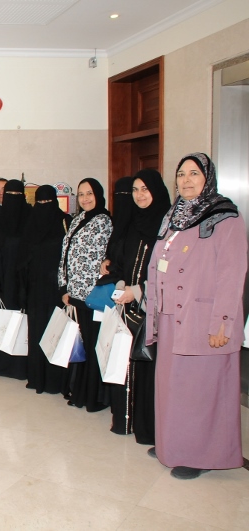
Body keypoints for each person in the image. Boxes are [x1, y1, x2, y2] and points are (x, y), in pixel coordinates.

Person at [145, 153, 246, 480]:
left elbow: (232, 275)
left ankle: (203, 454)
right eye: (181, 174)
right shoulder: (173, 216)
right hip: (172, 317)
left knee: (201, 389)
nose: (186, 180)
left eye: (194, 173)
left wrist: (222, 323)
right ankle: (172, 444)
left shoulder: (224, 216)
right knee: (174, 387)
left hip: (203, 320)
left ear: (208, 178)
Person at [101, 169, 170, 440]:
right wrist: (121, 285)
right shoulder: (132, 224)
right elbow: (121, 263)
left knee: (146, 364)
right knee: (123, 362)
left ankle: (146, 428)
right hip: (126, 306)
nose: (140, 195)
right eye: (135, 190)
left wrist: (138, 291)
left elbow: (169, 272)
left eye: (145, 189)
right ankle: (124, 421)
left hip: (152, 309)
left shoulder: (167, 227)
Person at [58, 178, 112, 411]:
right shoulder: (77, 219)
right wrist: (64, 288)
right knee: (78, 344)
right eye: (81, 194)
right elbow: (65, 255)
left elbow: (102, 259)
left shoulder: (104, 221)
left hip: (92, 297)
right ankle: (77, 391)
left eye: (89, 193)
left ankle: (91, 397)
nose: (85, 198)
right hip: (74, 294)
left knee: (91, 344)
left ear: (98, 194)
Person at [19, 185, 71, 394]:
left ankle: (55, 380)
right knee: (36, 332)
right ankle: (37, 377)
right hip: (35, 288)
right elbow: (23, 257)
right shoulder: (30, 223)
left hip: (57, 289)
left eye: (47, 202)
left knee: (56, 331)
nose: (43, 206)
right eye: (39, 202)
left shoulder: (65, 221)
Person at [0, 179, 32, 380]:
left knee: (24, 322)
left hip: (25, 281)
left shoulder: (30, 218)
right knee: (6, 321)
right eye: (9, 196)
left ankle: (22, 366)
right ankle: (5, 364)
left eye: (17, 195)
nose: (13, 200)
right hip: (4, 280)